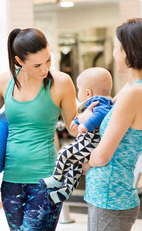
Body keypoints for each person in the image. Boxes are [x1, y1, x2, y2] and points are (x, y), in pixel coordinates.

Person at [0, 28, 77, 231]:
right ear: (19, 61)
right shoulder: (5, 81)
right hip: (11, 180)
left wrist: (93, 120)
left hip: (46, 180)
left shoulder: (61, 83)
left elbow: (74, 128)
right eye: (37, 65)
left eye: (48, 60)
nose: (45, 69)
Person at [83, 18, 142, 231]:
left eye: (116, 47)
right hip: (105, 195)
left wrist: (78, 161)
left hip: (111, 197)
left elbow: (101, 156)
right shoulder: (133, 88)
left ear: (127, 51)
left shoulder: (136, 92)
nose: (114, 53)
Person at [40, 67, 113, 203]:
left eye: (79, 90)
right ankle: (64, 191)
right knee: (75, 167)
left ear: (87, 93)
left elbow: (98, 115)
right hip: (89, 144)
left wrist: (84, 125)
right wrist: (78, 120)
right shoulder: (102, 102)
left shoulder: (100, 103)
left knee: (64, 153)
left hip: (90, 143)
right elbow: (87, 114)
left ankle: (56, 179)